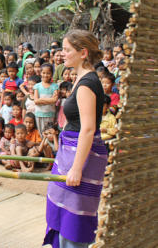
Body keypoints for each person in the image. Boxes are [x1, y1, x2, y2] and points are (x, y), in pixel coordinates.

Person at [44, 30, 107, 248]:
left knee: (74, 220)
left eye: (67, 50)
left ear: (83, 53)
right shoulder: (81, 78)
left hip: (81, 157)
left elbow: (88, 129)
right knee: (63, 212)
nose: (62, 54)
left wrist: (77, 168)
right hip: (70, 153)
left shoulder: (87, 83)